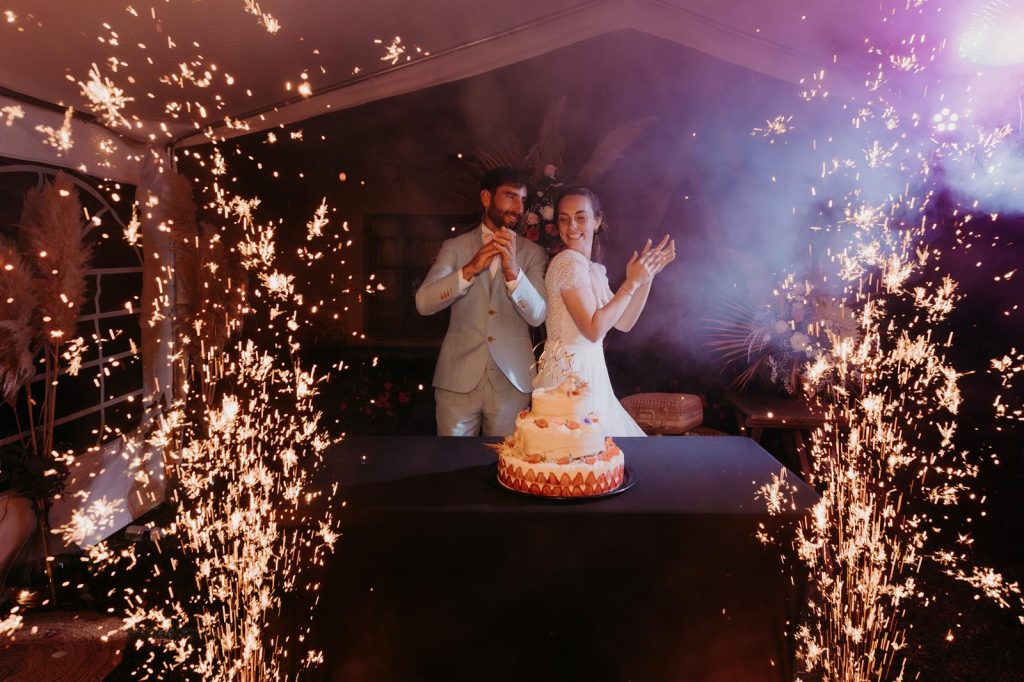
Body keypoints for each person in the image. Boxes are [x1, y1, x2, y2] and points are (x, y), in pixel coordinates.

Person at [415, 168, 548, 436]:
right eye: (510, 197)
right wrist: (469, 269)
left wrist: (513, 272)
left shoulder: (533, 253)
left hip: (512, 382)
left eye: (522, 200)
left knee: (505, 467)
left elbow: (538, 315)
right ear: (487, 198)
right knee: (451, 466)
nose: (518, 207)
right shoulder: (454, 247)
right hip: (457, 380)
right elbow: (424, 303)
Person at [541, 186, 675, 436]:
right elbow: (593, 330)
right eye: (564, 218)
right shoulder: (568, 263)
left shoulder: (589, 267)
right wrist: (631, 282)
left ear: (597, 221)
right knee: (577, 450)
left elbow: (623, 322)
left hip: (591, 368)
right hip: (570, 372)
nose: (572, 226)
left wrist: (645, 278)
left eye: (580, 217)